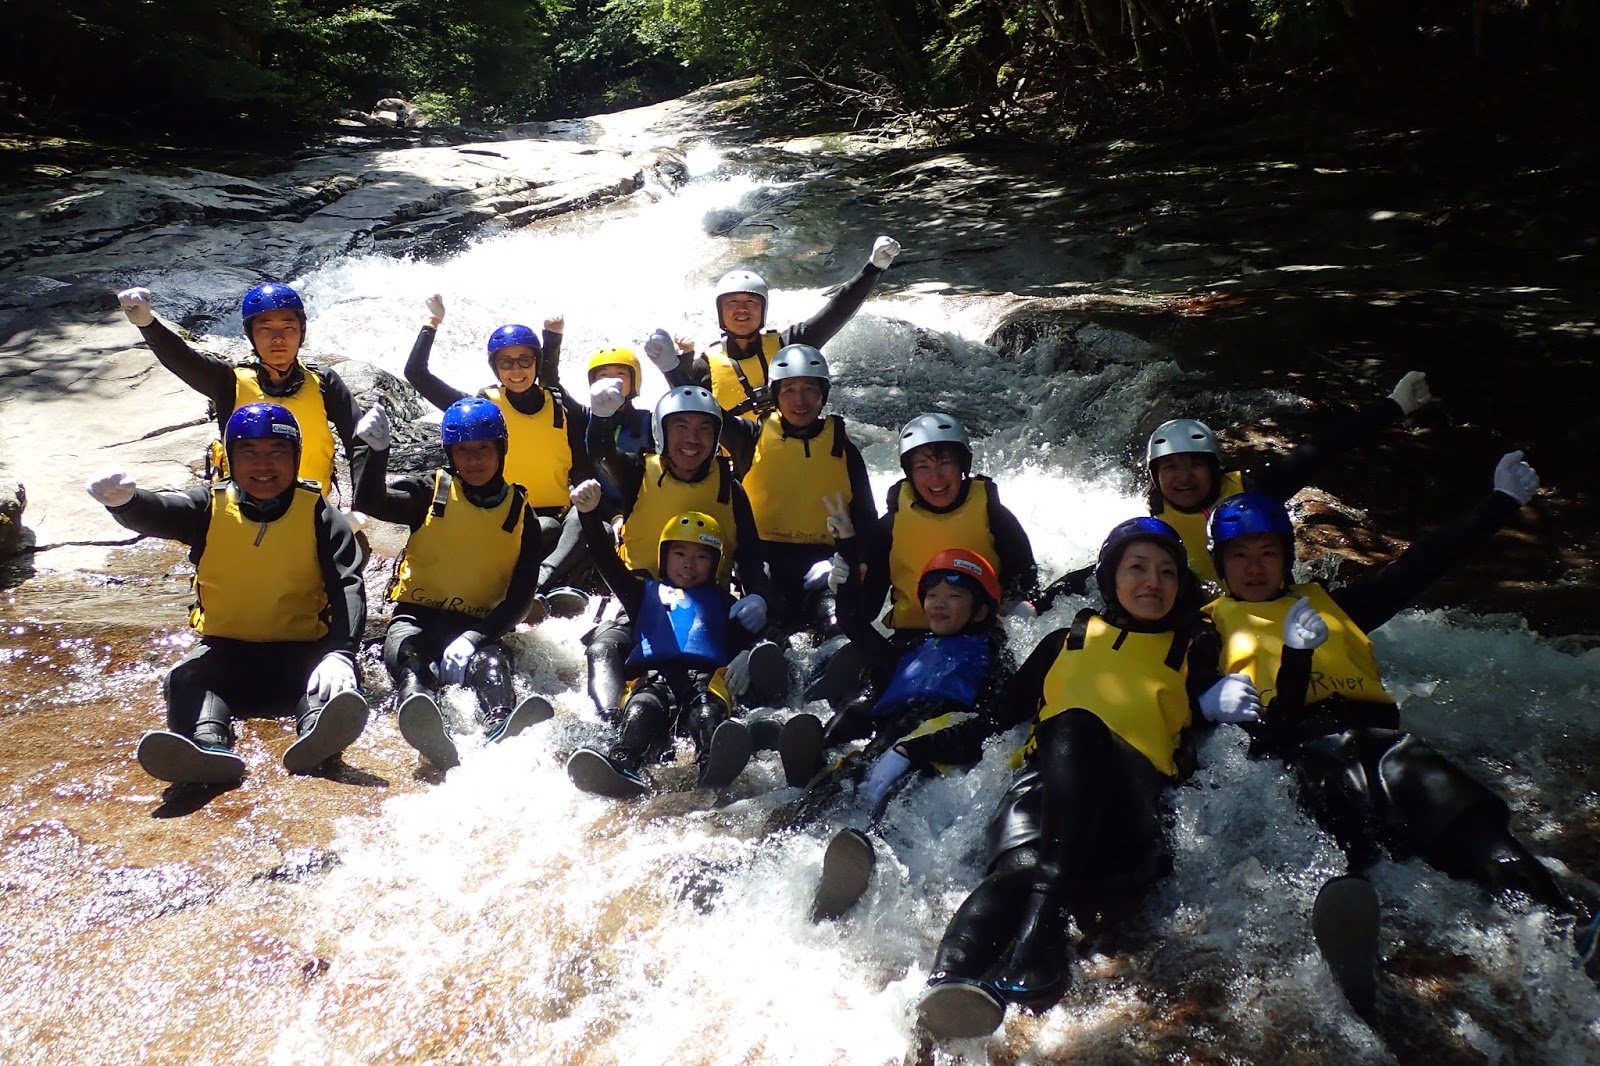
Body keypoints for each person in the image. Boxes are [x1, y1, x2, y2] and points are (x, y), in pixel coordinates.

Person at [1199, 465, 1599, 1013]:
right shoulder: (1205, 631)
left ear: (1286, 557)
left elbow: (1422, 565)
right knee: (1349, 838)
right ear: (1220, 564)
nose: (1254, 566)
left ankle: (1567, 927)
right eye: (1240, 555)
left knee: (1471, 826)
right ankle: (1360, 952)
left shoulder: (1337, 607)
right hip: (1299, 755)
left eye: (1267, 552)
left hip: (1383, 744)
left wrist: (1500, 502)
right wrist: (1202, 701)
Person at [913, 517, 1220, 1041]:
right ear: (1111, 578)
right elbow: (993, 720)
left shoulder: (1195, 647)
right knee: (1016, 871)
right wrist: (909, 751)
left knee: (1076, 722)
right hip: (1043, 791)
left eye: (1167, 572)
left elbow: (1231, 730)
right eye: (1138, 568)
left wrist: (1223, 700)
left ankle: (1043, 928)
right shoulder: (1063, 641)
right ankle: (945, 985)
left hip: (1128, 803)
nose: (1153, 581)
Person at [85, 403, 369, 785]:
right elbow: (164, 511)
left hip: (302, 652)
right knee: (185, 680)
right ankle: (207, 748)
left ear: (296, 457)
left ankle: (318, 737)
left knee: (333, 685)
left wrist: (341, 653)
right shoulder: (209, 507)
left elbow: (347, 584)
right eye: (249, 452)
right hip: (225, 653)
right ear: (231, 458)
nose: (263, 465)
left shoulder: (320, 514)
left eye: (277, 452)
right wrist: (127, 503)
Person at [781, 544, 1013, 922]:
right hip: (887, 745)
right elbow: (857, 627)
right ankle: (778, 855)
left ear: (981, 610)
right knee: (836, 786)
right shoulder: (913, 648)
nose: (939, 604)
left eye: (954, 596)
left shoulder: (993, 653)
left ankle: (866, 869)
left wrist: (920, 749)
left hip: (933, 758)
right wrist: (848, 579)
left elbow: (996, 722)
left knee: (898, 804)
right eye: (932, 595)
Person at [352, 397, 553, 771]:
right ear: (450, 454)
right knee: (411, 661)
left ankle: (500, 723)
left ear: (501, 450)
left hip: (477, 627)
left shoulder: (522, 515)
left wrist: (473, 639)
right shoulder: (429, 492)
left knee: (491, 664)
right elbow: (371, 503)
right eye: (463, 451)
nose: (474, 460)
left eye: (483, 449)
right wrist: (376, 453)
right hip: (416, 620)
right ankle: (425, 723)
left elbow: (520, 601)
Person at [583, 384, 784, 719]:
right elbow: (602, 452)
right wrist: (600, 417)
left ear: (716, 436)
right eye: (680, 427)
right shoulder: (638, 473)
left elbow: (750, 556)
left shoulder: (730, 487)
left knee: (768, 638)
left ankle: (755, 716)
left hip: (709, 601)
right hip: (638, 599)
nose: (692, 439)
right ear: (661, 432)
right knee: (603, 647)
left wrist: (758, 597)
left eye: (704, 429)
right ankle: (608, 720)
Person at [565, 483, 766, 797]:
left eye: (701, 556)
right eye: (680, 553)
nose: (689, 564)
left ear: (715, 563)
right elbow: (605, 560)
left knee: (706, 714)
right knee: (640, 710)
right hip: (654, 680)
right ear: (664, 555)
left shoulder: (725, 603)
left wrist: (748, 654)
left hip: (705, 682)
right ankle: (623, 763)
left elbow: (759, 640)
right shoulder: (641, 593)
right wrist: (589, 515)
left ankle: (712, 764)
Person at [402, 295, 594, 609]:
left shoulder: (560, 406)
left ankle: (545, 589)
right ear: (496, 367)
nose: (516, 370)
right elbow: (416, 374)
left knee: (592, 522)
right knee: (545, 529)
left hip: (557, 512)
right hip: (505, 514)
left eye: (524, 360)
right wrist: (432, 323)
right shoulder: (483, 409)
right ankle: (534, 593)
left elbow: (583, 468)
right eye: (506, 362)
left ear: (536, 363)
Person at [115, 282, 369, 499]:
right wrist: (148, 324)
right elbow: (184, 359)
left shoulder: (323, 381)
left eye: (288, 328)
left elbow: (360, 440)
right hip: (245, 508)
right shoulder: (229, 381)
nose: (278, 338)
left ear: (302, 332)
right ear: (251, 335)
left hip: (313, 506)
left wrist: (362, 506)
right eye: (265, 329)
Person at [716, 343, 878, 634]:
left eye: (809, 389)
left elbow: (867, 519)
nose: (799, 400)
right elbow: (705, 414)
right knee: (767, 622)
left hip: (822, 562)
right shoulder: (749, 438)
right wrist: (674, 368)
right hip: (763, 562)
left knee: (833, 618)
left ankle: (835, 651)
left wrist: (842, 560)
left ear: (822, 395)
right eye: (789, 390)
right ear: (776, 396)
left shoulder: (844, 448)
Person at [663, 237, 902, 420]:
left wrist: (873, 268)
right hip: (736, 464)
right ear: (720, 311)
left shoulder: (788, 347)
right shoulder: (704, 365)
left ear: (763, 310)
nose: (742, 309)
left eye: (751, 302)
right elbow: (688, 415)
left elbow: (836, 313)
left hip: (787, 455)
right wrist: (679, 363)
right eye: (732, 302)